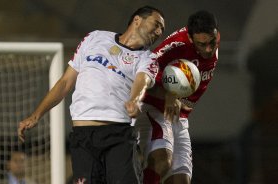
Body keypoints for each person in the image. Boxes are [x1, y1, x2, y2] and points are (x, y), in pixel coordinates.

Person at [18, 5, 165, 184]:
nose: (159, 32)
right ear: (137, 20)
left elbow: (142, 82)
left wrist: (134, 100)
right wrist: (36, 115)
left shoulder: (148, 59)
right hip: (83, 137)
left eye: (162, 30)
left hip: (118, 135)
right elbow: (65, 82)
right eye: (156, 24)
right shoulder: (95, 37)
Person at [135, 10, 220, 184]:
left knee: (181, 180)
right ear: (190, 38)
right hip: (153, 109)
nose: (208, 49)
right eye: (201, 45)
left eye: (212, 42)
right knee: (161, 159)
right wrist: (168, 93)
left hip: (179, 117)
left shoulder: (212, 39)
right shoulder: (176, 45)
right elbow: (140, 75)